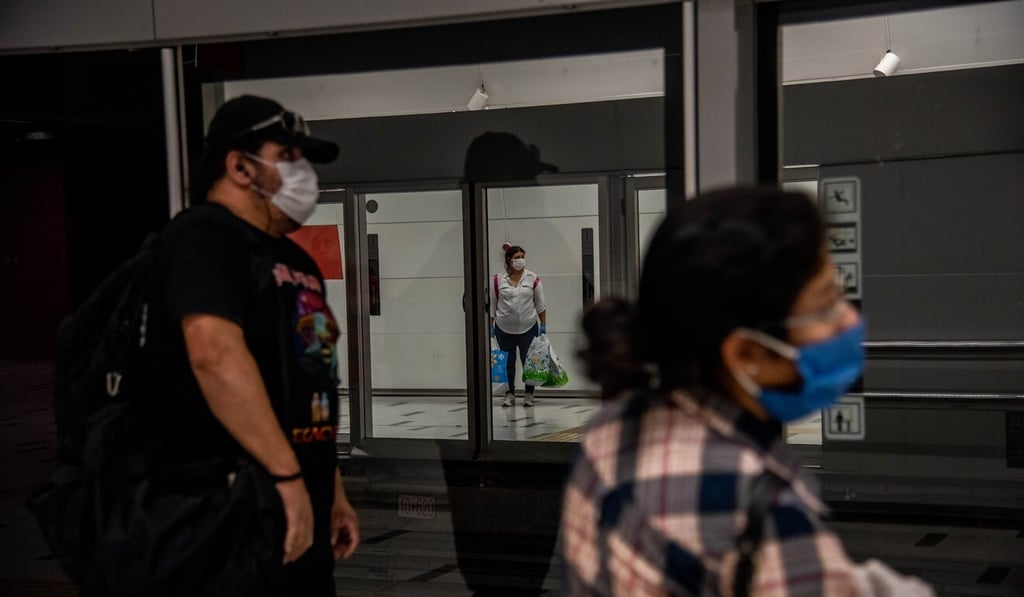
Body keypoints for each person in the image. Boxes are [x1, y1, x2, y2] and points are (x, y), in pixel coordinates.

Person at [562, 187, 933, 596]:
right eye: (825, 305)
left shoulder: (608, 428)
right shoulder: (763, 515)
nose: (848, 319)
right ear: (746, 353)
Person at [144, 94, 360, 594]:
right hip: (231, 509)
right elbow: (212, 351)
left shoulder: (296, 262)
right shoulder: (204, 234)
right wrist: (287, 480)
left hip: (299, 501)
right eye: (287, 156)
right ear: (240, 166)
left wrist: (330, 491)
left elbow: (312, 382)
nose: (303, 171)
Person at [490, 244, 547, 407]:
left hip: (528, 328)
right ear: (509, 260)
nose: (520, 260)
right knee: (507, 362)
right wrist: (491, 325)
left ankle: (529, 394)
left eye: (522, 256)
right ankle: (509, 394)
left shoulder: (533, 279)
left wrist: (543, 324)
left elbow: (540, 305)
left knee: (529, 362)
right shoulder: (497, 280)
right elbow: (493, 305)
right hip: (503, 328)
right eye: (517, 257)